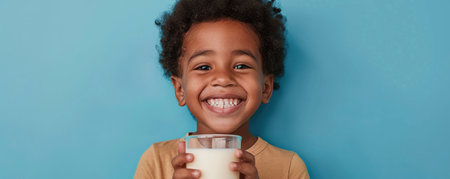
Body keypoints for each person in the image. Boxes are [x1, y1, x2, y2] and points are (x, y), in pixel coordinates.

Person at [134, 0, 309, 178]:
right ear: (180, 90)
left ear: (266, 88)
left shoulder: (288, 167)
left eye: (241, 66)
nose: (223, 78)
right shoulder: (156, 161)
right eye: (203, 67)